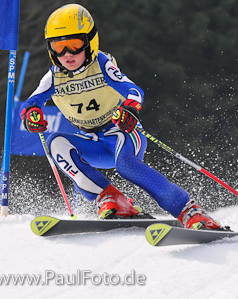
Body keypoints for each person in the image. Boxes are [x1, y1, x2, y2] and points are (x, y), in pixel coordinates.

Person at [20, 4, 225, 230]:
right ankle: (112, 199)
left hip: (122, 133)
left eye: (75, 44)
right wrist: (31, 116)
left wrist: (130, 109)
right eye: (58, 46)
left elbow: (133, 90)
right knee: (56, 143)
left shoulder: (101, 63)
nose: (67, 54)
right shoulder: (54, 76)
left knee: (126, 166)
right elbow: (31, 103)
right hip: (92, 142)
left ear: (90, 42)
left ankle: (189, 211)